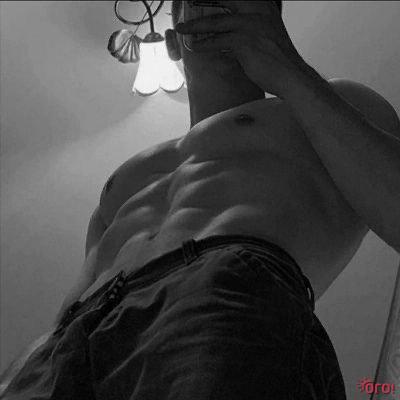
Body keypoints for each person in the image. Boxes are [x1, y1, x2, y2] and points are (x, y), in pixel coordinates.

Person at [1, 1, 400, 399]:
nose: (221, 9)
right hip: (69, 343)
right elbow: (73, 302)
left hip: (214, 297)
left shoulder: (337, 106)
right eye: (202, 4)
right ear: (173, 44)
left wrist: (286, 67)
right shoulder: (125, 178)